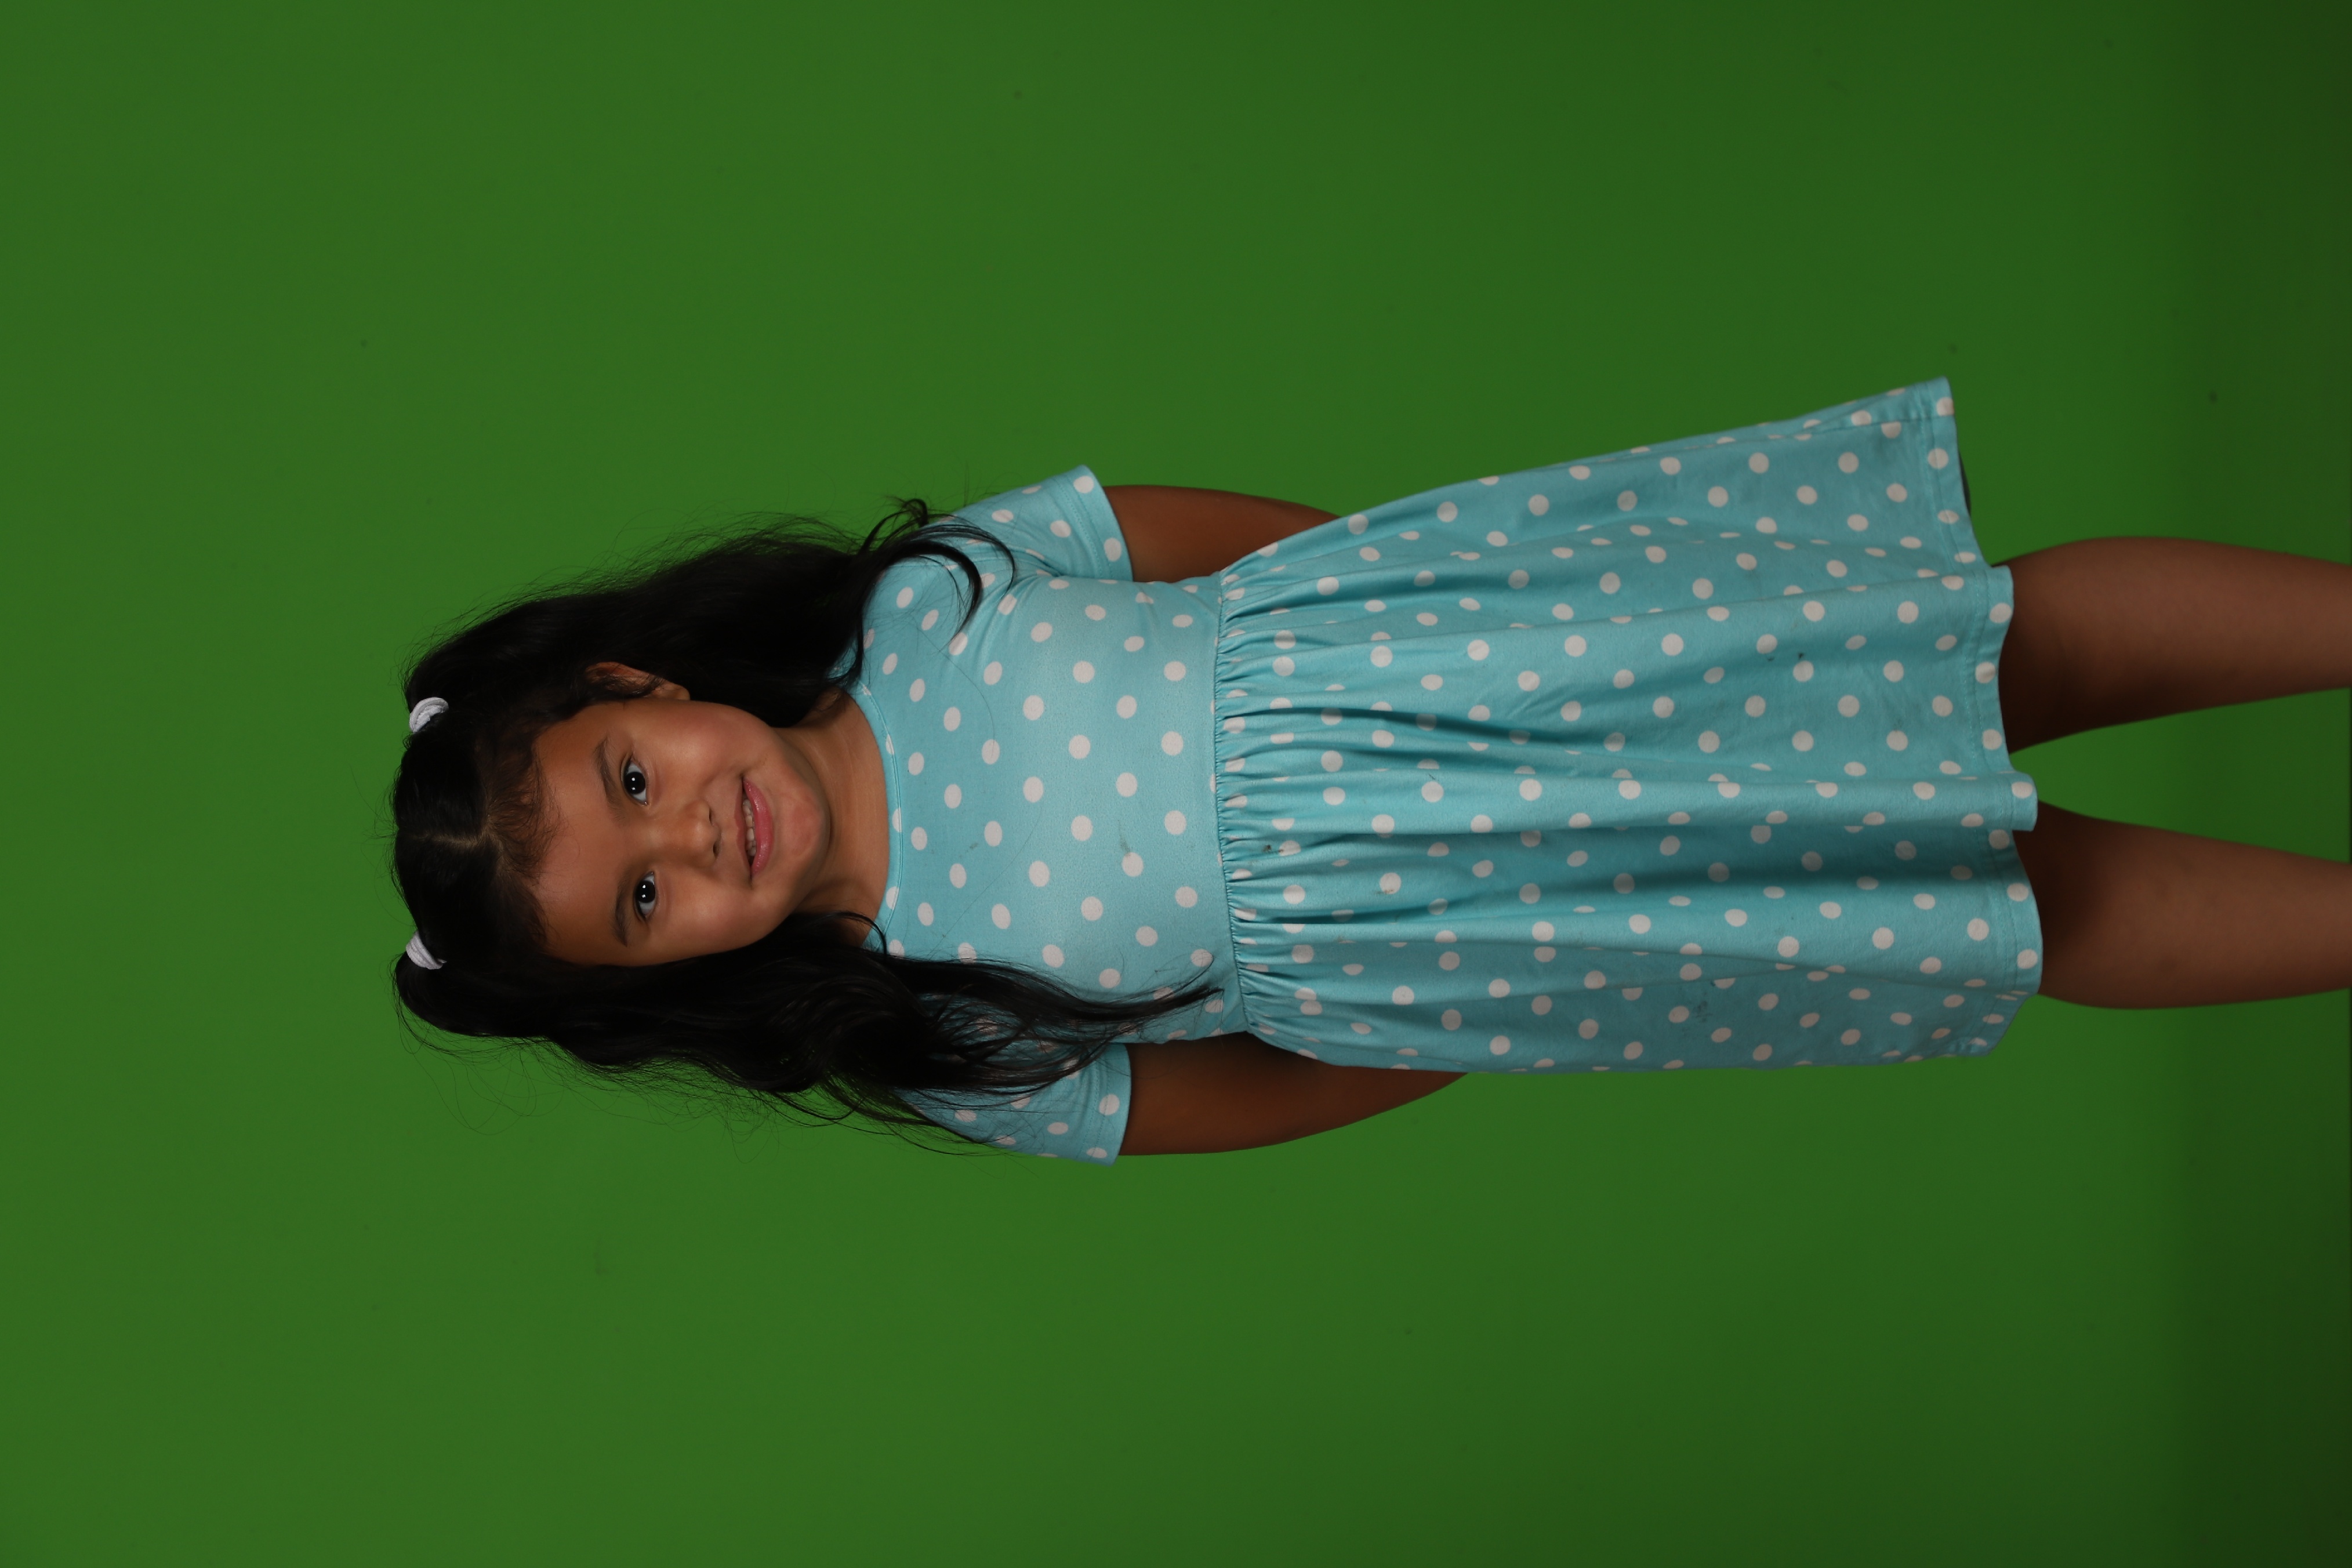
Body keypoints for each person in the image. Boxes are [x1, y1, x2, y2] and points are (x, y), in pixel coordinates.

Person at [389, 380, 2352, 1161]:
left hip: (1527, 648)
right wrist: (1471, 1000)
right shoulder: (936, 1038)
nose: (689, 837)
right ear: (664, 978)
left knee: (1991, 641)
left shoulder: (932, 596)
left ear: (635, 680)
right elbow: (1243, 1096)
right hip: (1527, 913)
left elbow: (1223, 550)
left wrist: (1454, 606)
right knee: (2024, 903)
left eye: (632, 778)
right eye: (643, 904)